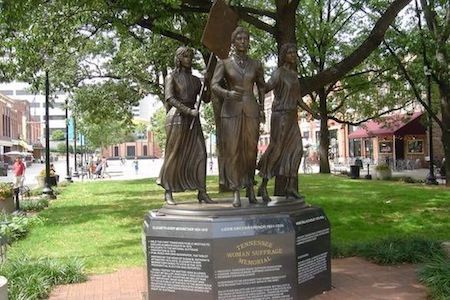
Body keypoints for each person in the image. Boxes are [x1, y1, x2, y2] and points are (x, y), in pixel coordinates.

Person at [211, 26, 265, 207]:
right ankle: (235, 190)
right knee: (233, 150)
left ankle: (250, 187)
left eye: (246, 38)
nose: (243, 41)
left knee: (250, 151)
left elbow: (262, 87)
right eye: (239, 39)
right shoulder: (224, 63)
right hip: (231, 111)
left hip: (251, 109)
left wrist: (262, 108)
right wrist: (227, 93)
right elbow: (214, 85)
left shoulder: (256, 64)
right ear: (233, 43)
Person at [157, 46, 214, 205]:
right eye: (186, 56)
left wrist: (207, 81)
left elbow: (207, 98)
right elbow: (170, 98)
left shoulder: (196, 80)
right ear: (179, 58)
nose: (189, 59)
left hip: (192, 120)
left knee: (201, 153)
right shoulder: (171, 77)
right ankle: (168, 190)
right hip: (177, 118)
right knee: (174, 153)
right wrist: (188, 111)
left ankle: (202, 191)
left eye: (191, 56)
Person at [257, 43, 304, 202]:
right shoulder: (279, 73)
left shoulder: (294, 75)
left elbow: (298, 99)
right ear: (284, 55)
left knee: (297, 149)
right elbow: (265, 88)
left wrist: (313, 112)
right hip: (280, 116)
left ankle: (290, 186)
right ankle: (263, 185)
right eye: (290, 52)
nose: (293, 55)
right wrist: (261, 108)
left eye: (294, 52)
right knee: (277, 149)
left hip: (292, 117)